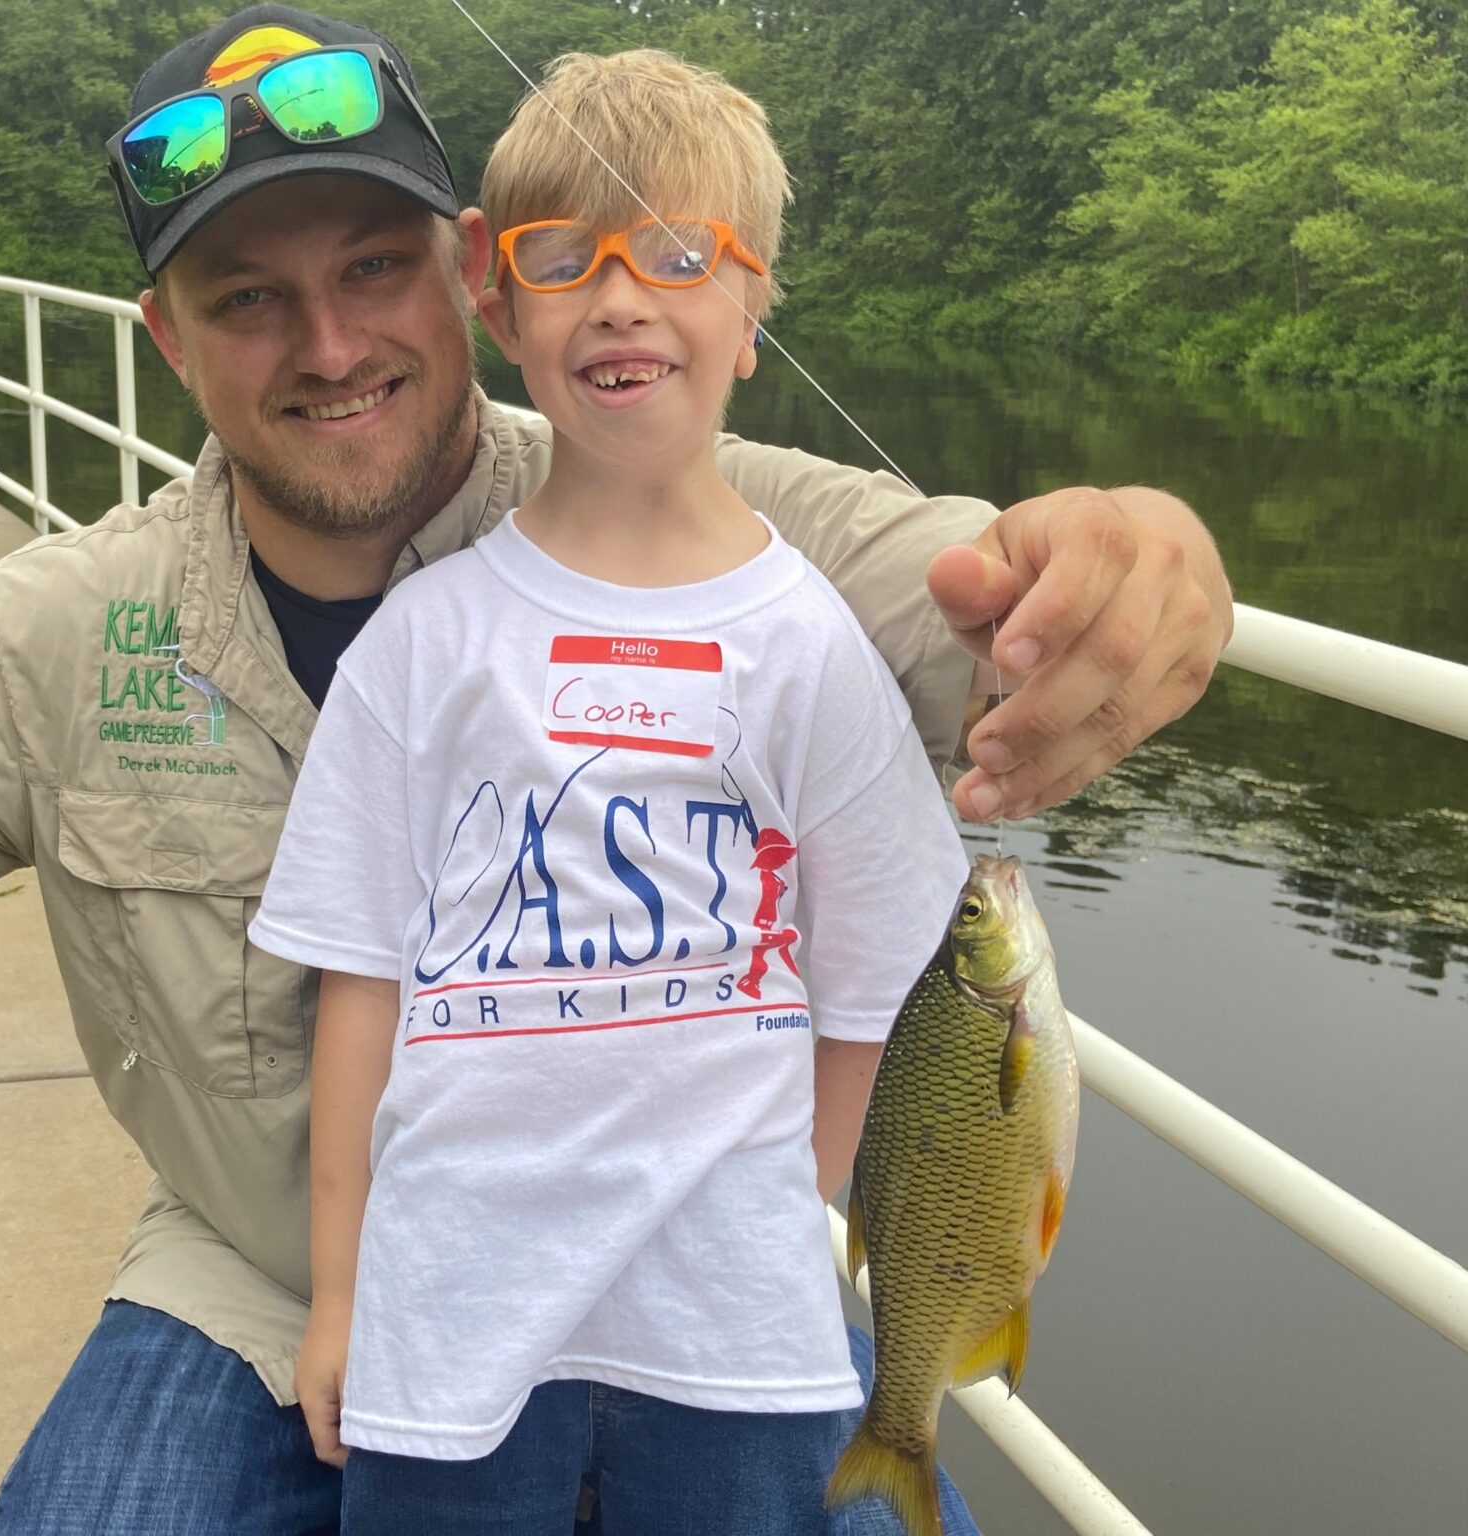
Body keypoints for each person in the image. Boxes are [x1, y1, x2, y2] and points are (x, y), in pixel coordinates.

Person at [0, 6, 1231, 1531]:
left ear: (466, 272)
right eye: (250, 298)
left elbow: (983, 583)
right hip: (262, 1282)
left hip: (678, 1289)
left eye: (372, 268)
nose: (331, 344)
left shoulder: (676, 492)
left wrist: (1139, 552)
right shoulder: (58, 625)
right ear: (167, 338)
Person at [250, 48, 975, 1532]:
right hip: (450, 1320)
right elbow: (361, 988)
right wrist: (343, 1296)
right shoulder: (427, 639)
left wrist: (792, 1217)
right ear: (495, 300)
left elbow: (872, 995)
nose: (624, 297)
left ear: (752, 309)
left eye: (681, 254)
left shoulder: (812, 646)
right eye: (566, 258)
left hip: (739, 1339)